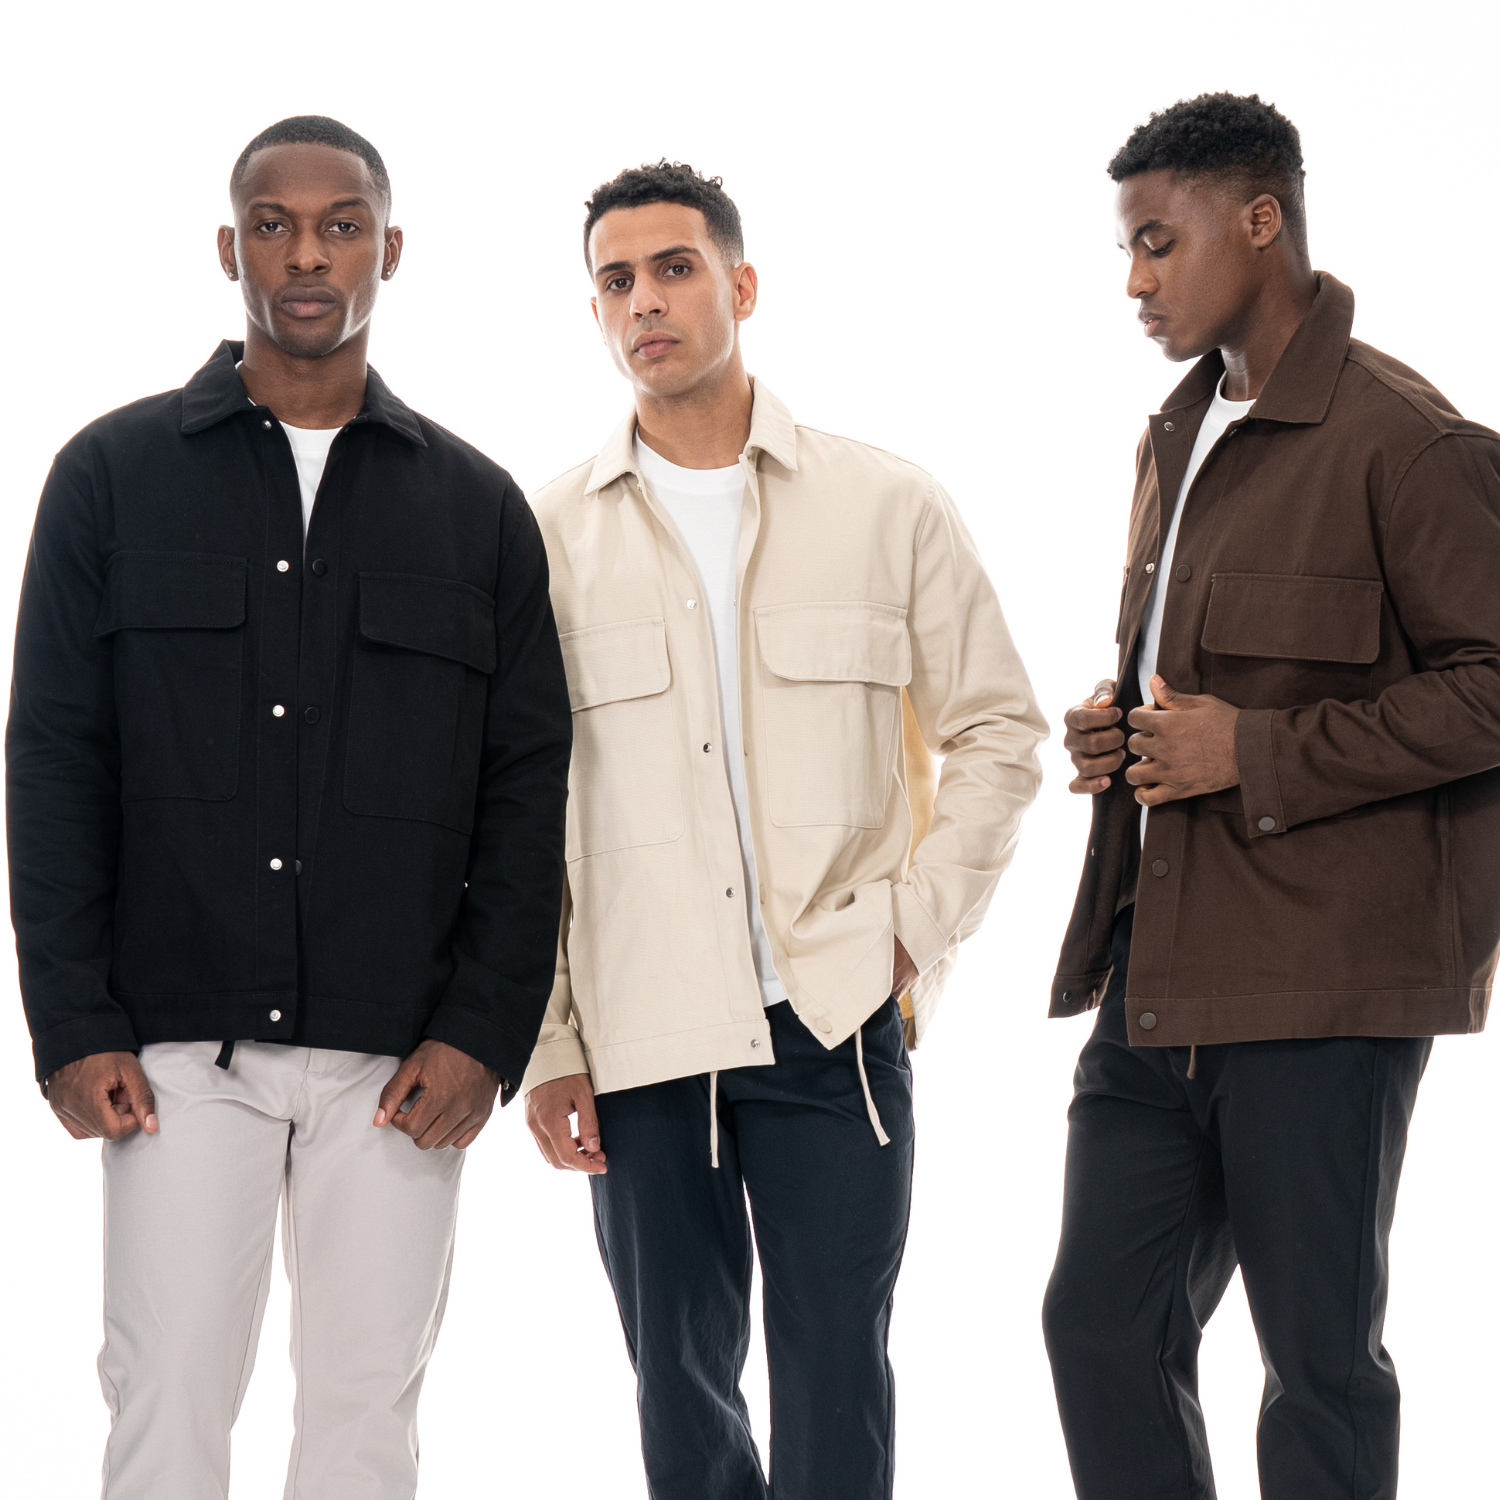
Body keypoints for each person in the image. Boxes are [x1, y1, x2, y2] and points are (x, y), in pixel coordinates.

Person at [7, 115, 571, 1499]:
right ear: (230, 248)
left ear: (391, 248)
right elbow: (54, 760)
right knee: (166, 1399)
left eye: (340, 225)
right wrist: (72, 1021)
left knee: (366, 1424)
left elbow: (525, 787)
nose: (307, 254)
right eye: (275, 225)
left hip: (398, 1063)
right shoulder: (109, 477)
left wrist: (483, 1031)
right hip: (174, 1048)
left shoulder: (479, 509)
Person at [521, 161, 1045, 1499]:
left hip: (833, 1024)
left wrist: (910, 933)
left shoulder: (887, 505)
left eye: (675, 268)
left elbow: (998, 732)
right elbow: (514, 809)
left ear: (741, 285)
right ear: (596, 313)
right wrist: (549, 1039)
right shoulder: (544, 538)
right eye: (617, 281)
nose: (646, 301)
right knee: (679, 1390)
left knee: (836, 1378)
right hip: (641, 1038)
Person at [1042, 92, 1500, 1500]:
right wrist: (1127, 728)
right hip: (1155, 975)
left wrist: (1258, 753)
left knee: (1316, 1367)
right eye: (1127, 248)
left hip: (1324, 988)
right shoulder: (1175, 436)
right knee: (1098, 1329)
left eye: (1157, 242)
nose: (1135, 282)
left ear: (1261, 220)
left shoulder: (1409, 442)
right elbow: (1216, 673)